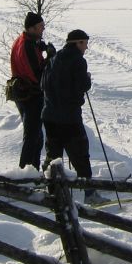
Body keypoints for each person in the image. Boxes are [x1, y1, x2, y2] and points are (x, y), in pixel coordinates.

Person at [41, 29, 98, 200]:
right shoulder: (78, 60)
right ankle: (89, 192)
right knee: (80, 154)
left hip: (50, 114)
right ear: (78, 43)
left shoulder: (53, 59)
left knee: (53, 154)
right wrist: (87, 78)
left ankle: (51, 190)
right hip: (69, 115)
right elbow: (81, 85)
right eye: (85, 43)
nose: (86, 48)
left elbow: (43, 83)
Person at [11, 12, 50, 169]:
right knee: (32, 136)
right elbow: (37, 74)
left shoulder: (22, 41)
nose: (43, 30)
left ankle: (31, 171)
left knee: (36, 137)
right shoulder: (27, 45)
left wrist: (40, 49)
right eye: (40, 27)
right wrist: (49, 59)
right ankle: (25, 175)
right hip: (31, 95)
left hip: (22, 93)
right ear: (32, 28)